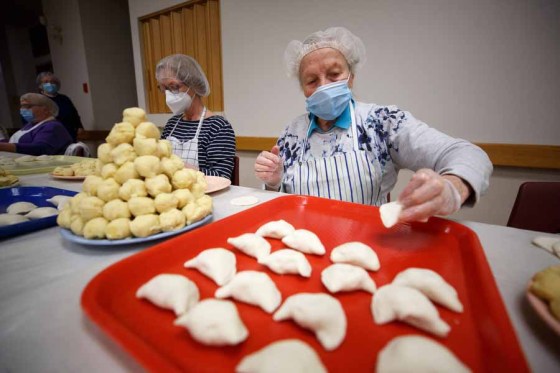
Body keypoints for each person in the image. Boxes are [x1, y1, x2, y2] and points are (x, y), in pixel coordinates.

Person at [254, 27, 493, 224]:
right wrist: (274, 182)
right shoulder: (291, 134)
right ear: (302, 88)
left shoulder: (381, 122)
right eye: (312, 80)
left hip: (364, 245)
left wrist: (453, 186)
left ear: (351, 76)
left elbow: (469, 154)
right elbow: (281, 201)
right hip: (302, 244)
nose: (323, 86)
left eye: (334, 74)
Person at [156, 54, 236, 180]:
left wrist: (180, 168)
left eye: (174, 87)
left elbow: (221, 177)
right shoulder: (172, 124)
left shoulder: (218, 127)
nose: (169, 94)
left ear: (193, 84)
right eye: (164, 88)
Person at [0, 93, 73, 155]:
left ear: (45, 110)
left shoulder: (52, 126)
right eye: (22, 106)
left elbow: (40, 149)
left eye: (28, 106)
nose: (22, 109)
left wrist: (3, 146)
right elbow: (14, 142)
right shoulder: (31, 125)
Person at [37, 71, 83, 142]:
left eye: (52, 82)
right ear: (40, 85)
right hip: (51, 137)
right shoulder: (39, 101)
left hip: (69, 134)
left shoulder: (64, 98)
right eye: (46, 82)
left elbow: (74, 114)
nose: (50, 84)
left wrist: (79, 126)